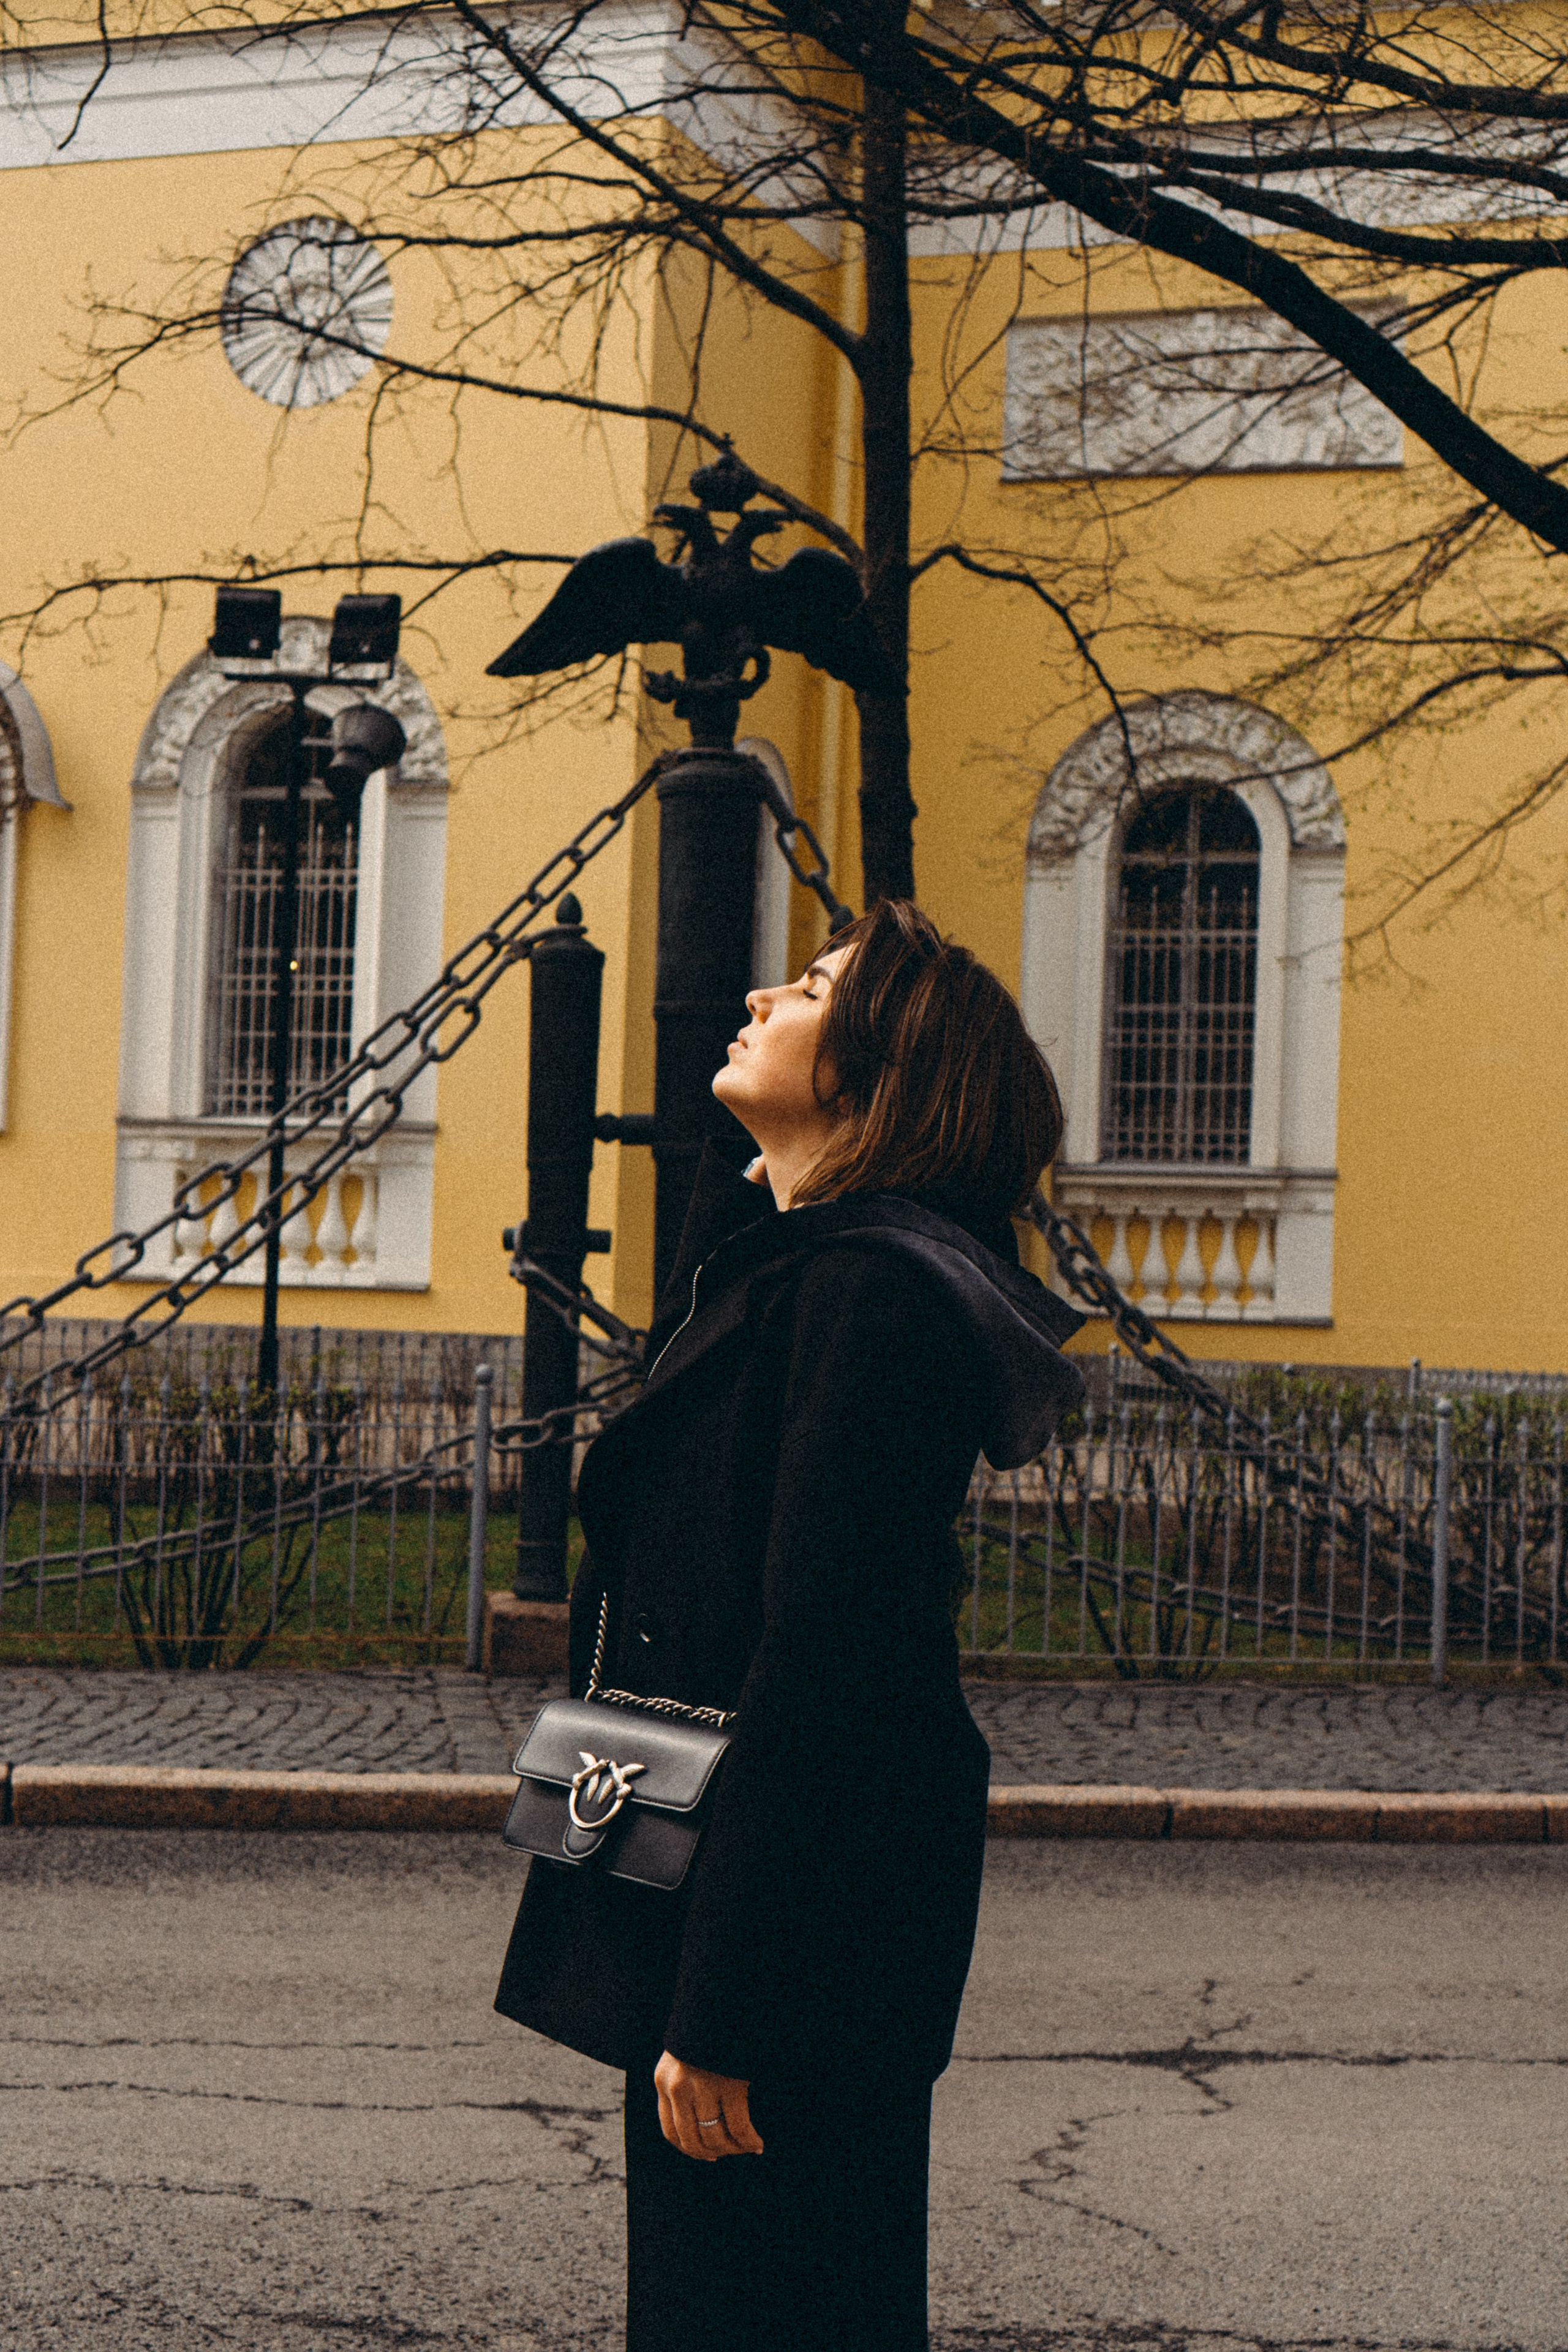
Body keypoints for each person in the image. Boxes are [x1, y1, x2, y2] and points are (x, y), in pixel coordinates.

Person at [496, 898, 1085, 2352]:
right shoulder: (796, 1276)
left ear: (881, 1071)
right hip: (715, 1892)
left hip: (792, 1940)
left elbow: (829, 1670)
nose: (759, 996)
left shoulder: (873, 1304)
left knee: (766, 2310)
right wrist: (754, 1159)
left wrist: (726, 2002)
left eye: (813, 988)